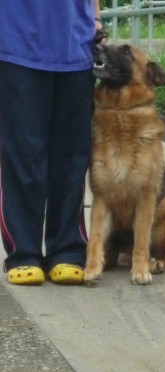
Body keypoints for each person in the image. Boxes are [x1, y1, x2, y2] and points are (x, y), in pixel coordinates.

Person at [0, 1, 105, 285]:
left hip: (76, 47)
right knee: (24, 154)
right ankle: (23, 253)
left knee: (71, 156)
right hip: (16, 45)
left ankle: (67, 248)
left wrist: (95, 20)